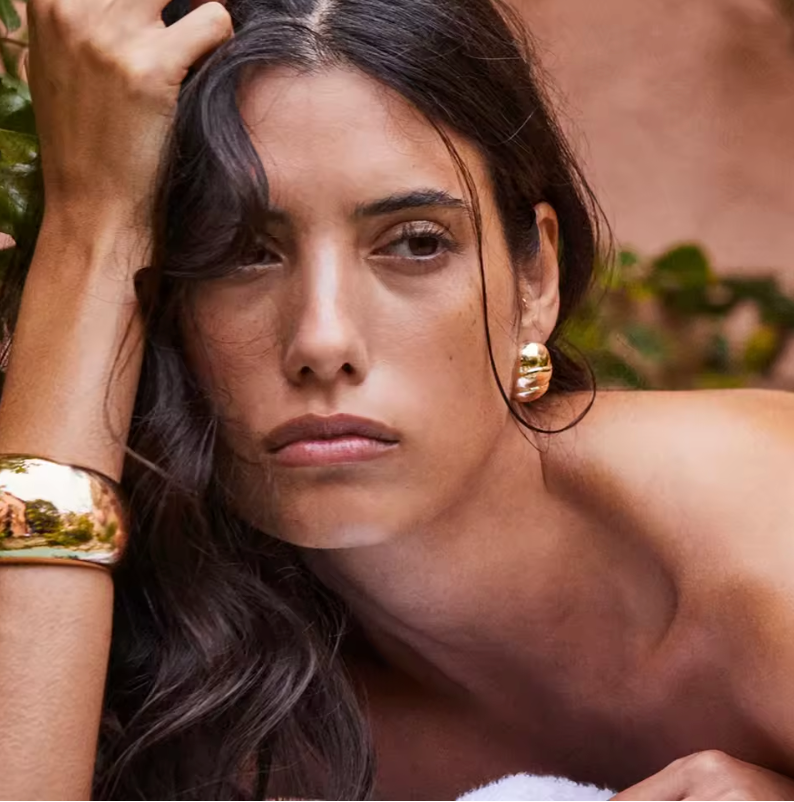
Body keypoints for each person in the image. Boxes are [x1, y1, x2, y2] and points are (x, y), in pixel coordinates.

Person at [1, 0, 794, 798]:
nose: (322, 340)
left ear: (536, 280)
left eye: (416, 243)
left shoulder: (758, 529)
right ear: (164, 305)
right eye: (241, 252)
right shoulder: (221, 699)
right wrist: (91, 228)